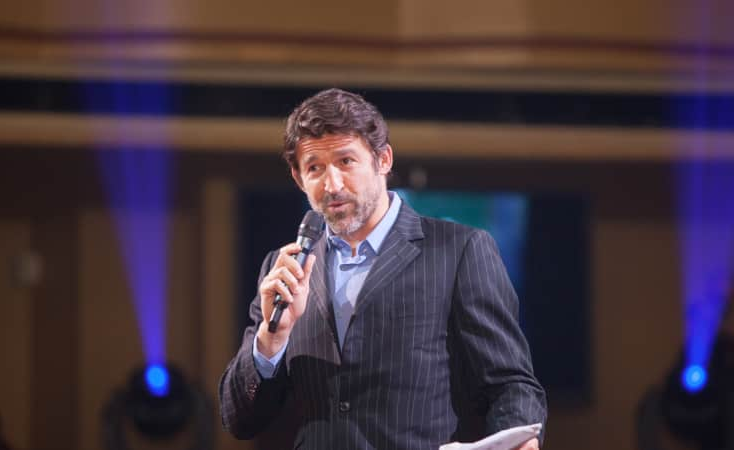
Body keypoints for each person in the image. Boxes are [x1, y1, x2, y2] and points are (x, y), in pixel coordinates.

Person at [219, 88, 547, 449]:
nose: (332, 184)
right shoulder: (286, 268)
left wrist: (521, 439)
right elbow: (239, 418)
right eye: (315, 168)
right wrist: (272, 339)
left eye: (346, 161)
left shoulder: (459, 251)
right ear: (299, 179)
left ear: (383, 160)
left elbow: (509, 384)